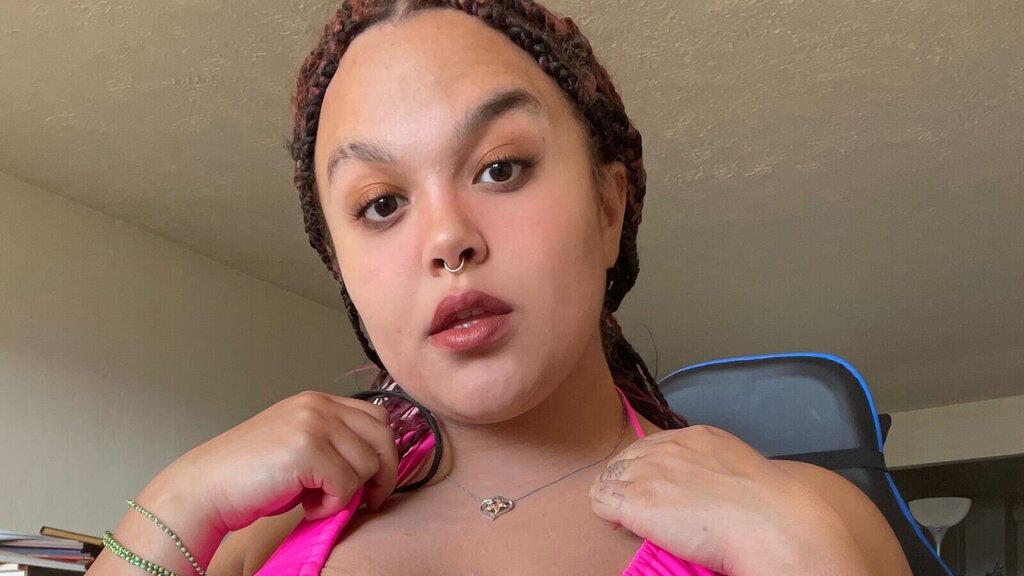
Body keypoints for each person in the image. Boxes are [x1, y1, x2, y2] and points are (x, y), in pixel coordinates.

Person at [87, 1, 913, 575]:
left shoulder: (814, 522)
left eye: (500, 167)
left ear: (608, 207)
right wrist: (176, 505)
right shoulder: (251, 536)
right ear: (342, 270)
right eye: (381, 205)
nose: (447, 238)